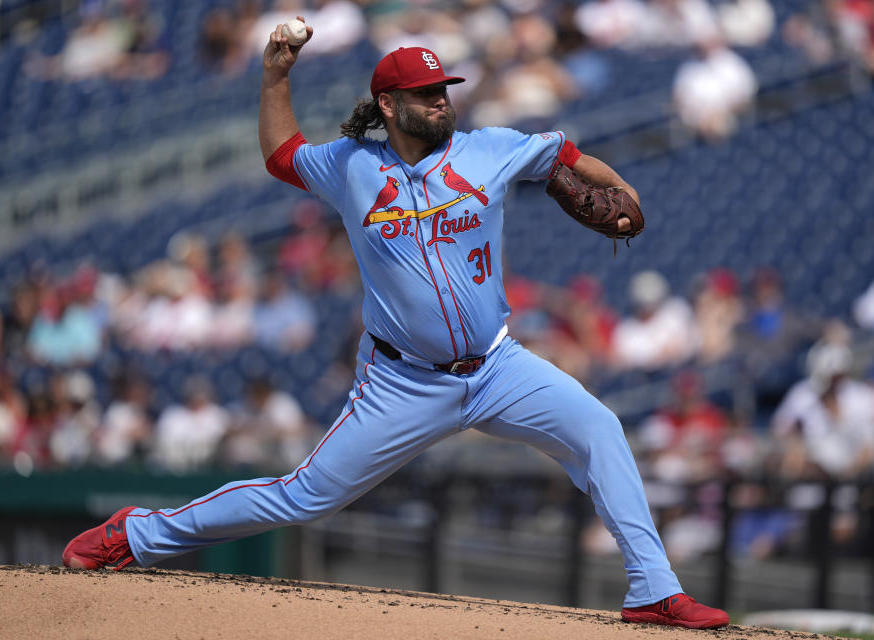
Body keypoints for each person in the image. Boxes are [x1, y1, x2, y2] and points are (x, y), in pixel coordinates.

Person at [62, 19, 729, 630]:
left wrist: (626, 195)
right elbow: (281, 153)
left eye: (443, 88)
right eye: (426, 92)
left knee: (599, 429)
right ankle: (139, 534)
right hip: (402, 383)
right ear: (389, 105)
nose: (441, 100)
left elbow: (573, 158)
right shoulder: (352, 167)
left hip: (498, 366)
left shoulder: (491, 148)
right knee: (306, 497)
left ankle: (652, 588)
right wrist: (275, 75)